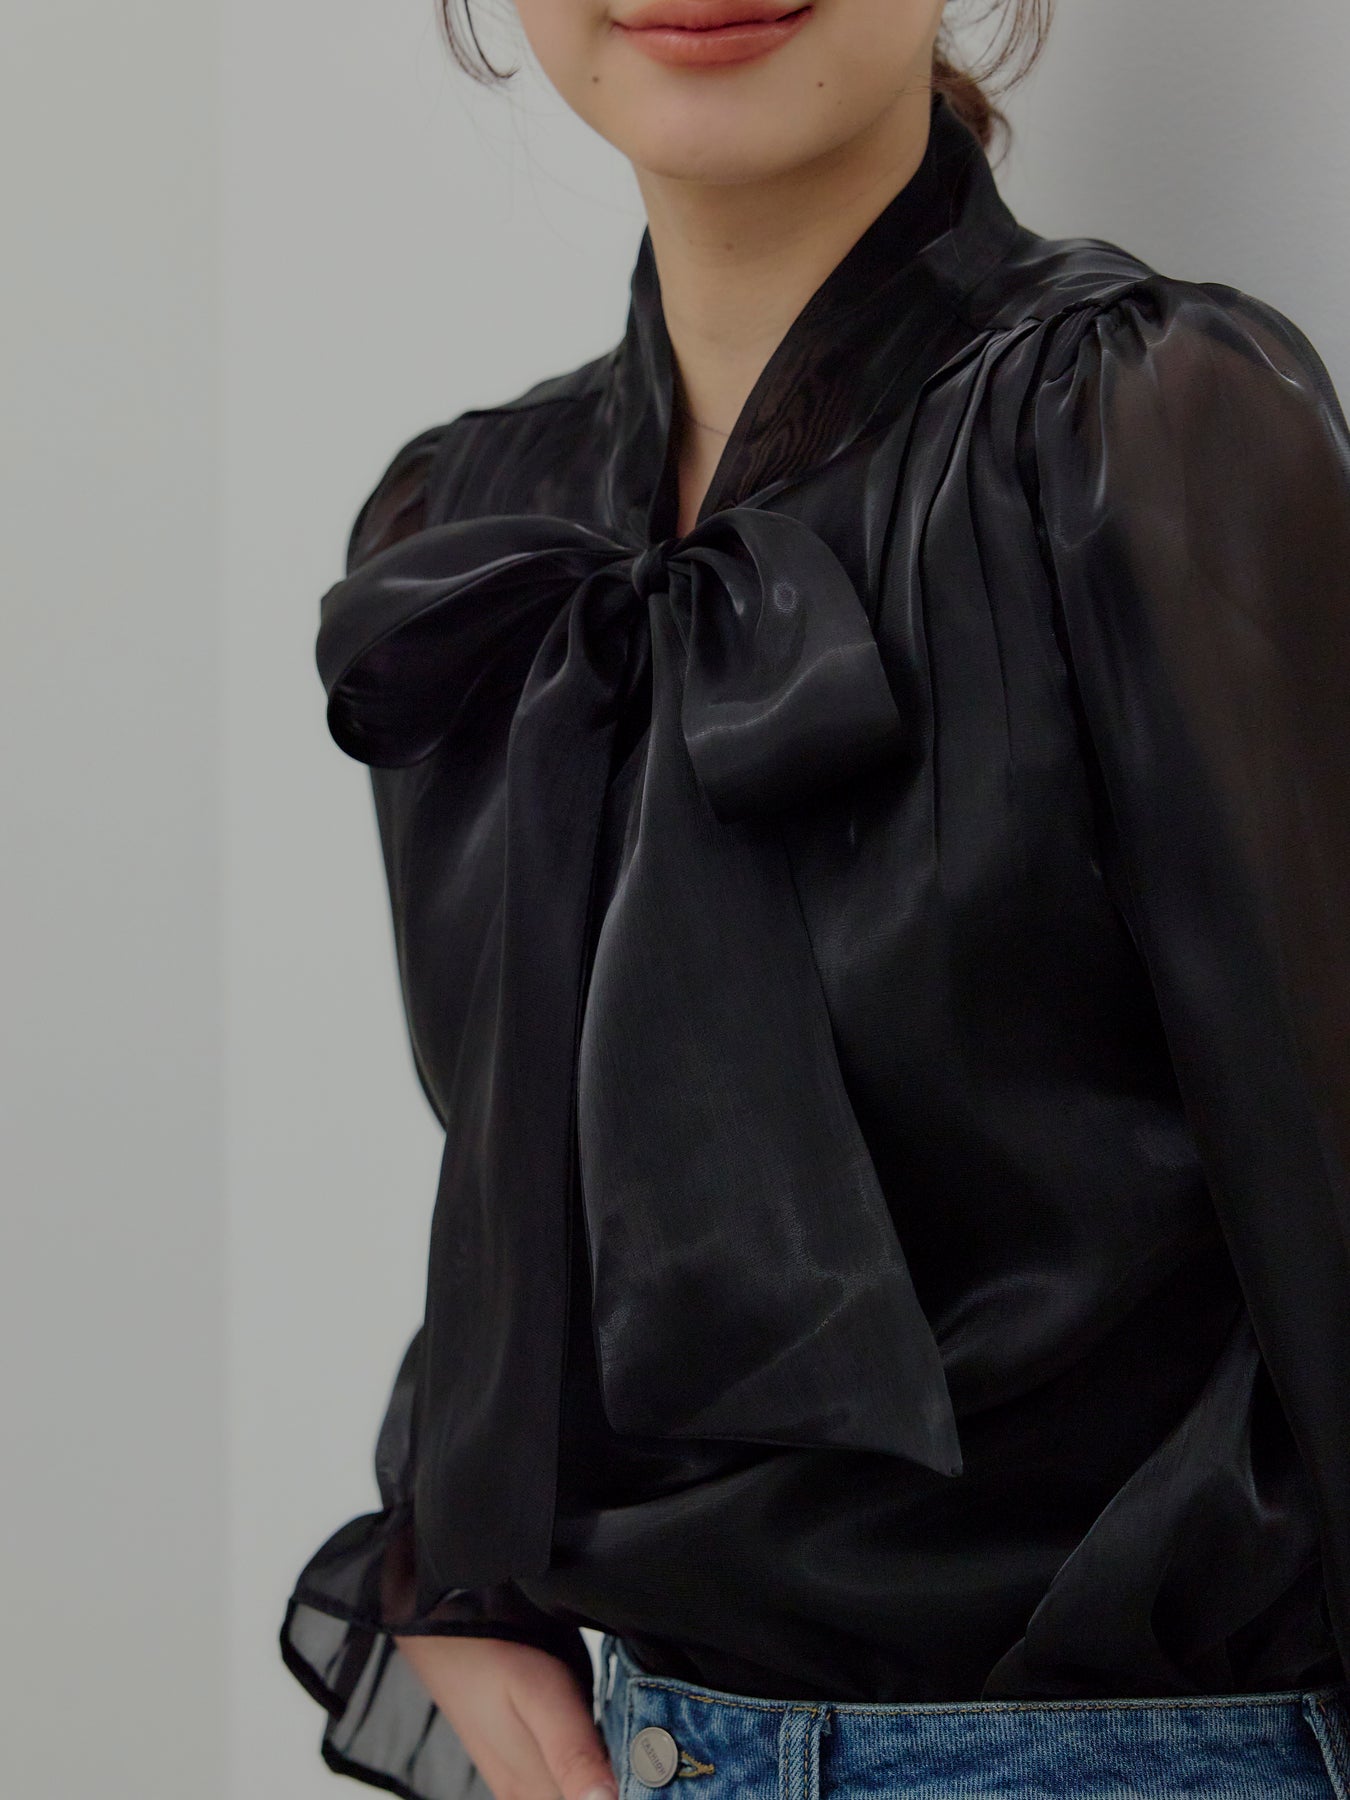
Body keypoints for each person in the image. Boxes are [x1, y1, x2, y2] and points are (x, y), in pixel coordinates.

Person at [278, 0, 1350, 1795]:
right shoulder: (462, 538)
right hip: (655, 1746)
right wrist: (453, 1561)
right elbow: (528, 1176)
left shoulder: (1138, 418)